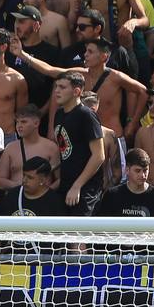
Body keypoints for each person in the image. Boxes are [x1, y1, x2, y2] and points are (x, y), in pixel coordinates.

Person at [48, 72, 106, 215]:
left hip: (85, 188)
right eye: (56, 87)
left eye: (62, 87)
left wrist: (77, 186)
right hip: (66, 185)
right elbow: (68, 150)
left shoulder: (86, 115)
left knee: (80, 234)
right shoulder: (59, 114)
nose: (57, 91)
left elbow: (99, 156)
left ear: (77, 91)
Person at [95, 148, 154, 217]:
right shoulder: (112, 195)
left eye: (145, 170)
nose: (142, 175)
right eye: (137, 171)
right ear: (127, 170)